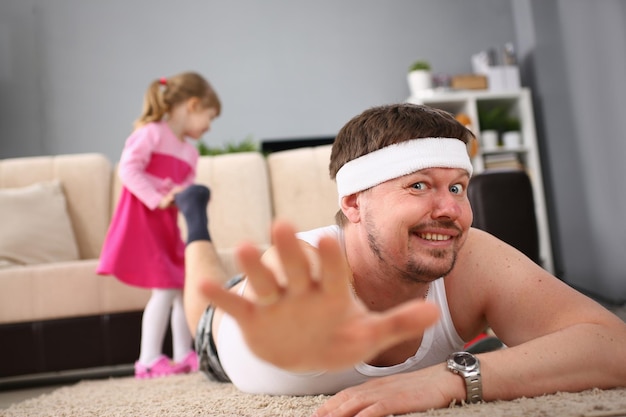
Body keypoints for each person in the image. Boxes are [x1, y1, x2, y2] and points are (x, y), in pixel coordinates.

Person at [175, 103, 626, 416]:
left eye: (456, 188)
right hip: (223, 330)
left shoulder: (472, 254)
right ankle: (195, 221)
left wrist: (454, 378)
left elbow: (613, 347)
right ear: (352, 204)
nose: (451, 210)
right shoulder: (301, 268)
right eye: (418, 186)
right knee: (203, 302)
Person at [97, 71, 221, 379]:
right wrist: (158, 197)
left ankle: (183, 354)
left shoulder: (190, 153)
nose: (209, 126)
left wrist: (186, 198)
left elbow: (184, 191)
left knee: (181, 287)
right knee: (165, 290)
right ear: (192, 105)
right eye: (209, 116)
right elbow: (128, 169)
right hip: (143, 221)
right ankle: (148, 359)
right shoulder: (151, 133)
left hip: (167, 227)